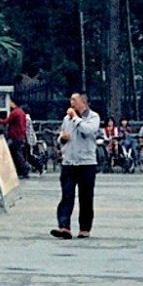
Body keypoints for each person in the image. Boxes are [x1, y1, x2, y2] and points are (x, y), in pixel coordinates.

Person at [51, 93, 100, 240]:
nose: (71, 103)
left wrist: (76, 119)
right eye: (70, 99)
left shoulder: (93, 117)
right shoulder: (67, 119)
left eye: (74, 100)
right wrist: (62, 138)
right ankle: (64, 227)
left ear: (83, 102)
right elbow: (62, 135)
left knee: (86, 198)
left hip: (86, 163)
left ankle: (84, 228)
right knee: (67, 196)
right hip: (69, 163)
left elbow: (88, 130)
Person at [0, 97, 30, 178]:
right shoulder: (21, 112)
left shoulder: (15, 112)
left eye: (10, 102)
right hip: (21, 135)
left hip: (15, 136)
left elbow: (6, 121)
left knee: (16, 153)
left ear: (13, 103)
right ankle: (23, 170)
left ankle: (23, 170)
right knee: (18, 153)